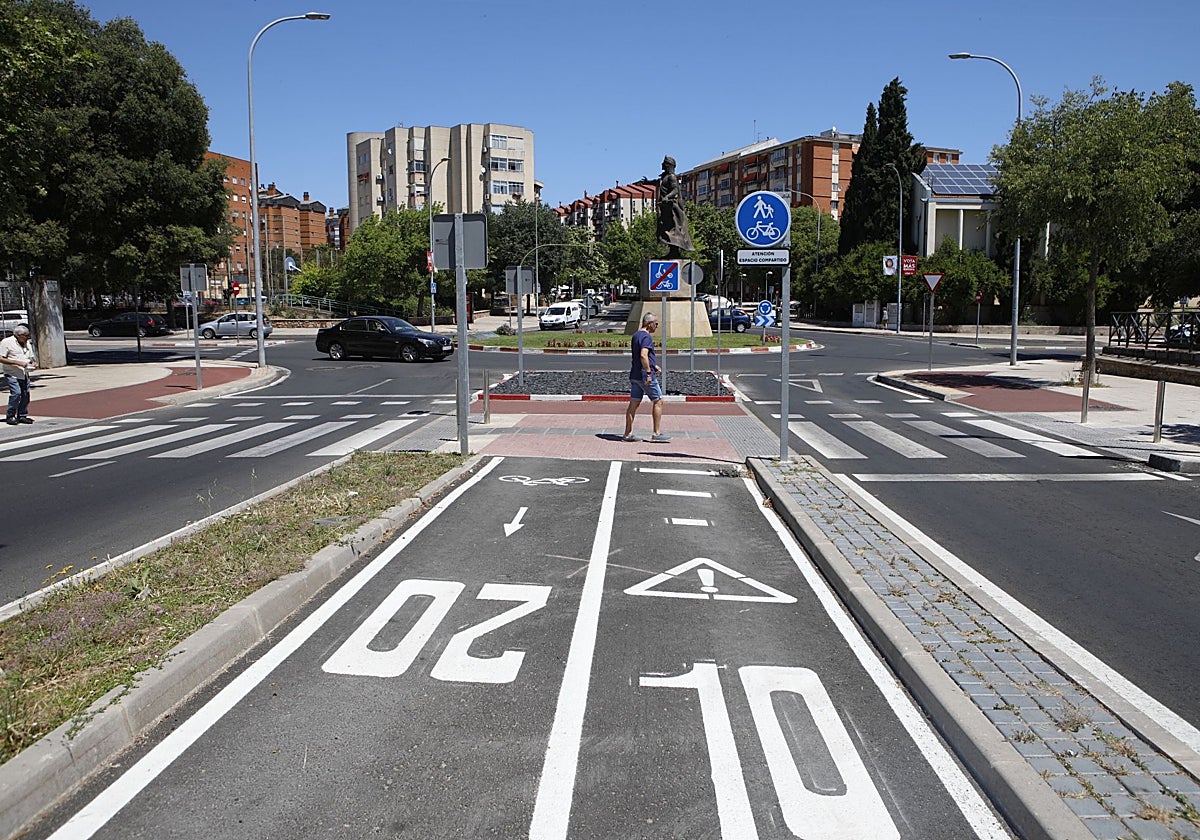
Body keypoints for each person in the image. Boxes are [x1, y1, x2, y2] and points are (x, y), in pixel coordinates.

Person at [624, 312, 670, 443]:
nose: (656, 326)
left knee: (634, 403)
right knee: (658, 401)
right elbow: (643, 355)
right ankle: (656, 433)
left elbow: (640, 356)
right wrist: (649, 373)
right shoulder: (646, 337)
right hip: (645, 376)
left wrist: (653, 365)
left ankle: (627, 434)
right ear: (649, 324)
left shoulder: (636, 335)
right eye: (656, 323)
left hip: (635, 375)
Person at [1, 324, 37, 425]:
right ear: (18, 335)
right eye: (26, 336)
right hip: (12, 373)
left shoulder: (27, 343)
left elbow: (30, 356)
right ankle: (10, 415)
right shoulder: (7, 342)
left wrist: (33, 362)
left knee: (26, 394)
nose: (27, 338)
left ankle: (22, 415)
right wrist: (17, 363)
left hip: (24, 372)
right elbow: (1, 358)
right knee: (16, 393)